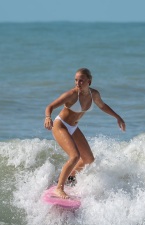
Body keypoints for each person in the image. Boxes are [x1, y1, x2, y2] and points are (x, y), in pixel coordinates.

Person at [44, 68, 126, 199]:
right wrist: (48, 117)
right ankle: (59, 188)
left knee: (88, 159)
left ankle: (69, 178)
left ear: (89, 81)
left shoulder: (94, 94)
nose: (78, 83)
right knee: (75, 156)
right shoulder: (71, 94)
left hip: (73, 127)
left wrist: (118, 117)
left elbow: (103, 106)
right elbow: (50, 107)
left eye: (81, 80)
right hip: (61, 125)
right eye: (76, 80)